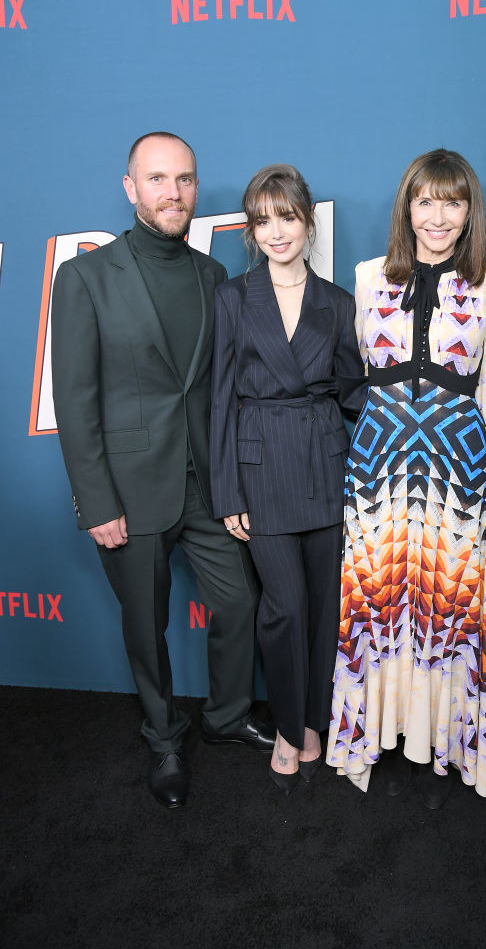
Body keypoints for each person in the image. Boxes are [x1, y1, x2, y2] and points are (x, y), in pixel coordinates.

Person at [51, 132, 274, 810]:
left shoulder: (211, 277)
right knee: (145, 626)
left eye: (183, 180)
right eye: (157, 179)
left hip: (205, 485)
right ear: (130, 188)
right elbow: (76, 400)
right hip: (129, 490)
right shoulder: (87, 276)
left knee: (238, 602)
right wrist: (97, 503)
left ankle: (227, 716)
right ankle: (164, 737)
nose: (172, 192)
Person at [326, 149, 486, 808]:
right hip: (378, 465)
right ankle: (374, 737)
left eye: (452, 202)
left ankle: (455, 743)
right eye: (425, 201)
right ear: (406, 208)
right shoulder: (366, 278)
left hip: (457, 465)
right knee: (377, 605)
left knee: (455, 604)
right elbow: (352, 377)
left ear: (469, 211)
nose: (437, 216)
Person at [210, 164, 367, 795]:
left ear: (308, 221)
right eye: (263, 220)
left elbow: (355, 394)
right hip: (259, 467)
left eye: (288, 217)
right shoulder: (232, 297)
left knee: (326, 607)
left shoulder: (338, 301)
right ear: (251, 229)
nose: (277, 231)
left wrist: (376, 471)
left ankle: (320, 721)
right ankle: (287, 726)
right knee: (284, 608)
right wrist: (227, 492)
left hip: (326, 464)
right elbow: (220, 400)